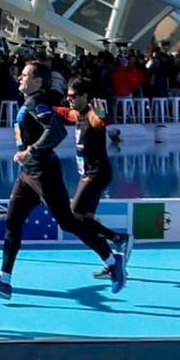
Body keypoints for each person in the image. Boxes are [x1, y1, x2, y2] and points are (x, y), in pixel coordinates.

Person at [0, 61, 126, 300]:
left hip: (44, 172)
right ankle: (4, 280)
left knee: (69, 222)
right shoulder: (31, 103)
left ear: (38, 81)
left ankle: (112, 260)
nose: (19, 79)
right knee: (13, 221)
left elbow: (57, 131)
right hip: (28, 175)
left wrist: (30, 151)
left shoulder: (37, 103)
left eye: (25, 75)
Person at [57, 77, 132, 272]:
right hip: (89, 173)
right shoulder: (77, 114)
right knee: (85, 220)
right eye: (67, 96)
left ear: (85, 96)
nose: (69, 99)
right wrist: (45, 106)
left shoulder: (91, 115)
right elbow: (65, 112)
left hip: (97, 173)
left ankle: (118, 240)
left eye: (73, 96)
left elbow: (100, 121)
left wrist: (102, 117)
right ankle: (114, 252)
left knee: (73, 215)